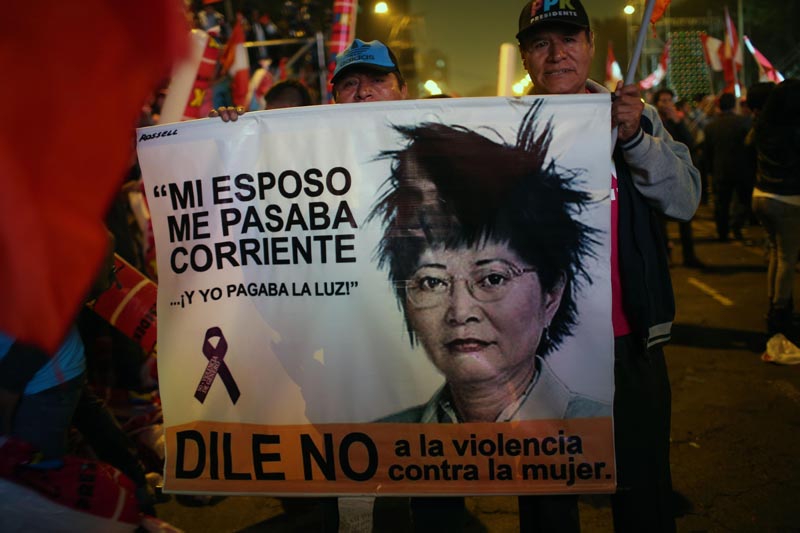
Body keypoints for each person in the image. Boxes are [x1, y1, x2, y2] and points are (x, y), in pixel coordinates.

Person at [515, 1, 700, 531]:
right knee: (548, 503)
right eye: (542, 42)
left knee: (642, 497)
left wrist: (637, 139)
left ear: (590, 44)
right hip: (540, 355)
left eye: (569, 38)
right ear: (526, 56)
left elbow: (685, 201)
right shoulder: (503, 127)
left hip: (628, 345)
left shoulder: (635, 116)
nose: (557, 53)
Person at [371, 100, 610, 425]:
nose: (460, 312)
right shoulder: (381, 439)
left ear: (551, 294)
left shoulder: (597, 433)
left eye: (493, 279)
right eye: (431, 282)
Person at [751, 78, 800, 338]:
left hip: (761, 194)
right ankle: (781, 313)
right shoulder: (793, 129)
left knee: (775, 253)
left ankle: (773, 305)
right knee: (787, 259)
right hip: (787, 199)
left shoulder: (764, 125)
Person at [653, 88, 704, 268]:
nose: (666, 104)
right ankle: (665, 257)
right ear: (657, 103)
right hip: (659, 177)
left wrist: (678, 122)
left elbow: (690, 145)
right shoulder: (653, 121)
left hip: (677, 175)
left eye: (669, 100)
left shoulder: (677, 121)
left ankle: (689, 256)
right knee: (660, 224)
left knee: (685, 219)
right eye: (663, 100)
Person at [704, 92, 753, 241]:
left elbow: (708, 151)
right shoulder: (745, 122)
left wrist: (709, 169)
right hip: (742, 169)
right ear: (734, 105)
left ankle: (722, 232)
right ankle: (737, 227)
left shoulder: (711, 126)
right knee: (743, 201)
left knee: (721, 203)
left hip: (720, 169)